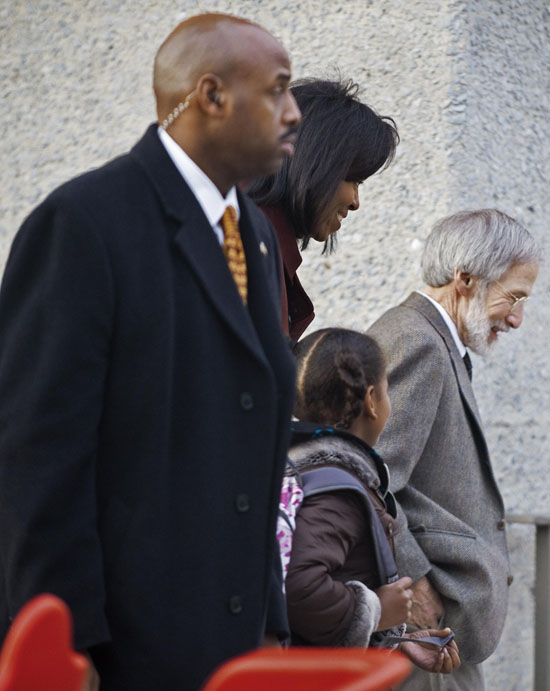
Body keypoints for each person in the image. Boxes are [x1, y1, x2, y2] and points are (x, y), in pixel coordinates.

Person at [0, 13, 301, 691]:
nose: (295, 113)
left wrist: (270, 620)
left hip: (228, 649)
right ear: (210, 95)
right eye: (278, 90)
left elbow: (252, 450)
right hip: (119, 658)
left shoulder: (250, 232)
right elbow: (36, 463)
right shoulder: (84, 223)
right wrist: (65, 651)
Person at [367, 209, 542, 691]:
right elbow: (368, 478)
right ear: (464, 278)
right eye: (514, 297)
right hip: (422, 634)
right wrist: (417, 588)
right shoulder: (416, 341)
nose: (517, 318)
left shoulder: (435, 340)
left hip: (437, 634)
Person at [285, 327, 461, 675]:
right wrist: (377, 610)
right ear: (370, 401)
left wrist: (395, 637)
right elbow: (299, 587)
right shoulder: (337, 491)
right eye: (386, 392)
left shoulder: (321, 473)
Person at [247, 78, 398, 342]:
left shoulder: (262, 242)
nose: (355, 202)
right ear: (319, 164)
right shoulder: (247, 244)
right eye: (355, 180)